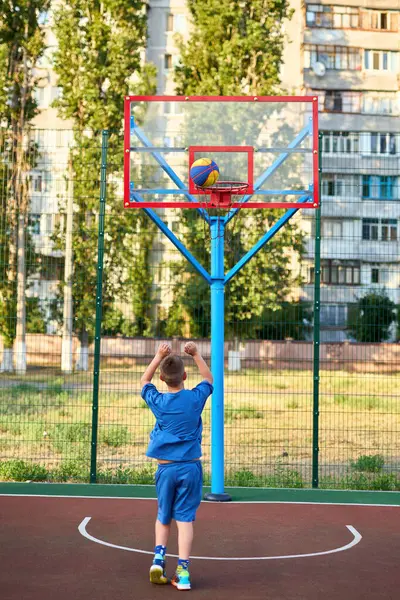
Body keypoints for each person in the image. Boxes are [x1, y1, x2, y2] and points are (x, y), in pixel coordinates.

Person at [140, 341, 214, 591]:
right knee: (184, 519)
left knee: (163, 516)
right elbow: (209, 379)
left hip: (166, 468)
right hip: (190, 468)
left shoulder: (158, 402)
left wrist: (158, 355)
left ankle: (158, 560)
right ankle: (183, 572)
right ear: (184, 376)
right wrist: (195, 354)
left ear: (162, 378)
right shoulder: (195, 399)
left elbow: (143, 381)